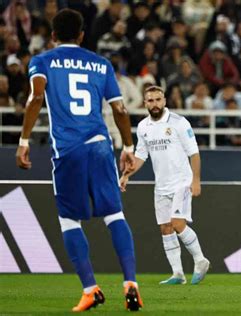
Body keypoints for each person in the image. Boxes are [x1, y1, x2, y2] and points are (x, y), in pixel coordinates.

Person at [15, 9, 143, 312]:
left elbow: (35, 98)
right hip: (100, 145)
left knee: (69, 219)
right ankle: (131, 283)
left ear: (53, 35)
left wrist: (23, 141)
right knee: (115, 215)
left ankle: (91, 289)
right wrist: (128, 146)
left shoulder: (42, 60)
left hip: (68, 149)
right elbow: (121, 110)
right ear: (82, 35)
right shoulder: (101, 64)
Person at [120, 85, 210, 285]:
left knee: (177, 223)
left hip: (182, 182)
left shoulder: (179, 122)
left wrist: (196, 180)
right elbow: (141, 155)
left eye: (158, 100)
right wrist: (127, 175)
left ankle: (200, 259)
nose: (154, 104)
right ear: (145, 103)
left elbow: (194, 153)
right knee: (165, 228)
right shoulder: (143, 127)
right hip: (161, 185)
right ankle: (178, 274)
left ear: (165, 101)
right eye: (150, 100)